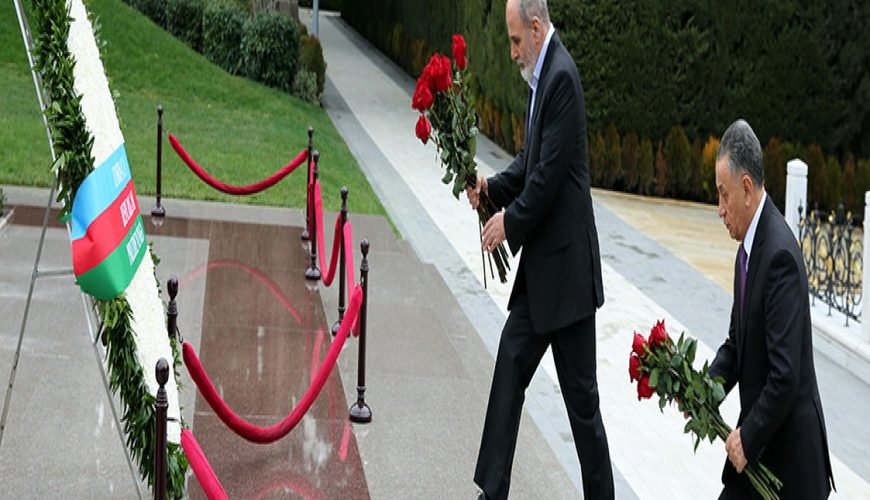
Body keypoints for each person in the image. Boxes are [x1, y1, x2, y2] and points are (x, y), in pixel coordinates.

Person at [466, 0, 613, 498]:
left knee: (583, 410)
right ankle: (492, 492)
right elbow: (530, 162)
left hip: (567, 280)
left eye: (514, 41)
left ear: (535, 28)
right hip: (543, 276)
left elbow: (548, 179)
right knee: (510, 363)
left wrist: (507, 223)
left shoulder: (561, 78)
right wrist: (491, 188)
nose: (512, 52)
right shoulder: (544, 76)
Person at [709, 119, 835, 499]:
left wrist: (747, 437)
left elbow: (784, 376)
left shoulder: (778, 254)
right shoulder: (747, 250)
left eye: (724, 195)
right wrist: (703, 390)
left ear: (747, 189)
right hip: (763, 450)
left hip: (791, 465)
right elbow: (738, 344)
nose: (719, 210)